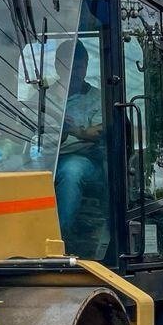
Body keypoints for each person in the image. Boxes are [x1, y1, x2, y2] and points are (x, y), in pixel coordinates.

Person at [54, 39, 105, 254]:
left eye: (79, 66)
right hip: (47, 156)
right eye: (69, 66)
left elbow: (100, 131)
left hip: (87, 160)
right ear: (58, 66)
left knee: (70, 171)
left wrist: (72, 131)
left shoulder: (97, 98)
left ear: (86, 66)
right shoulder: (44, 95)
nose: (75, 72)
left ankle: (59, 241)